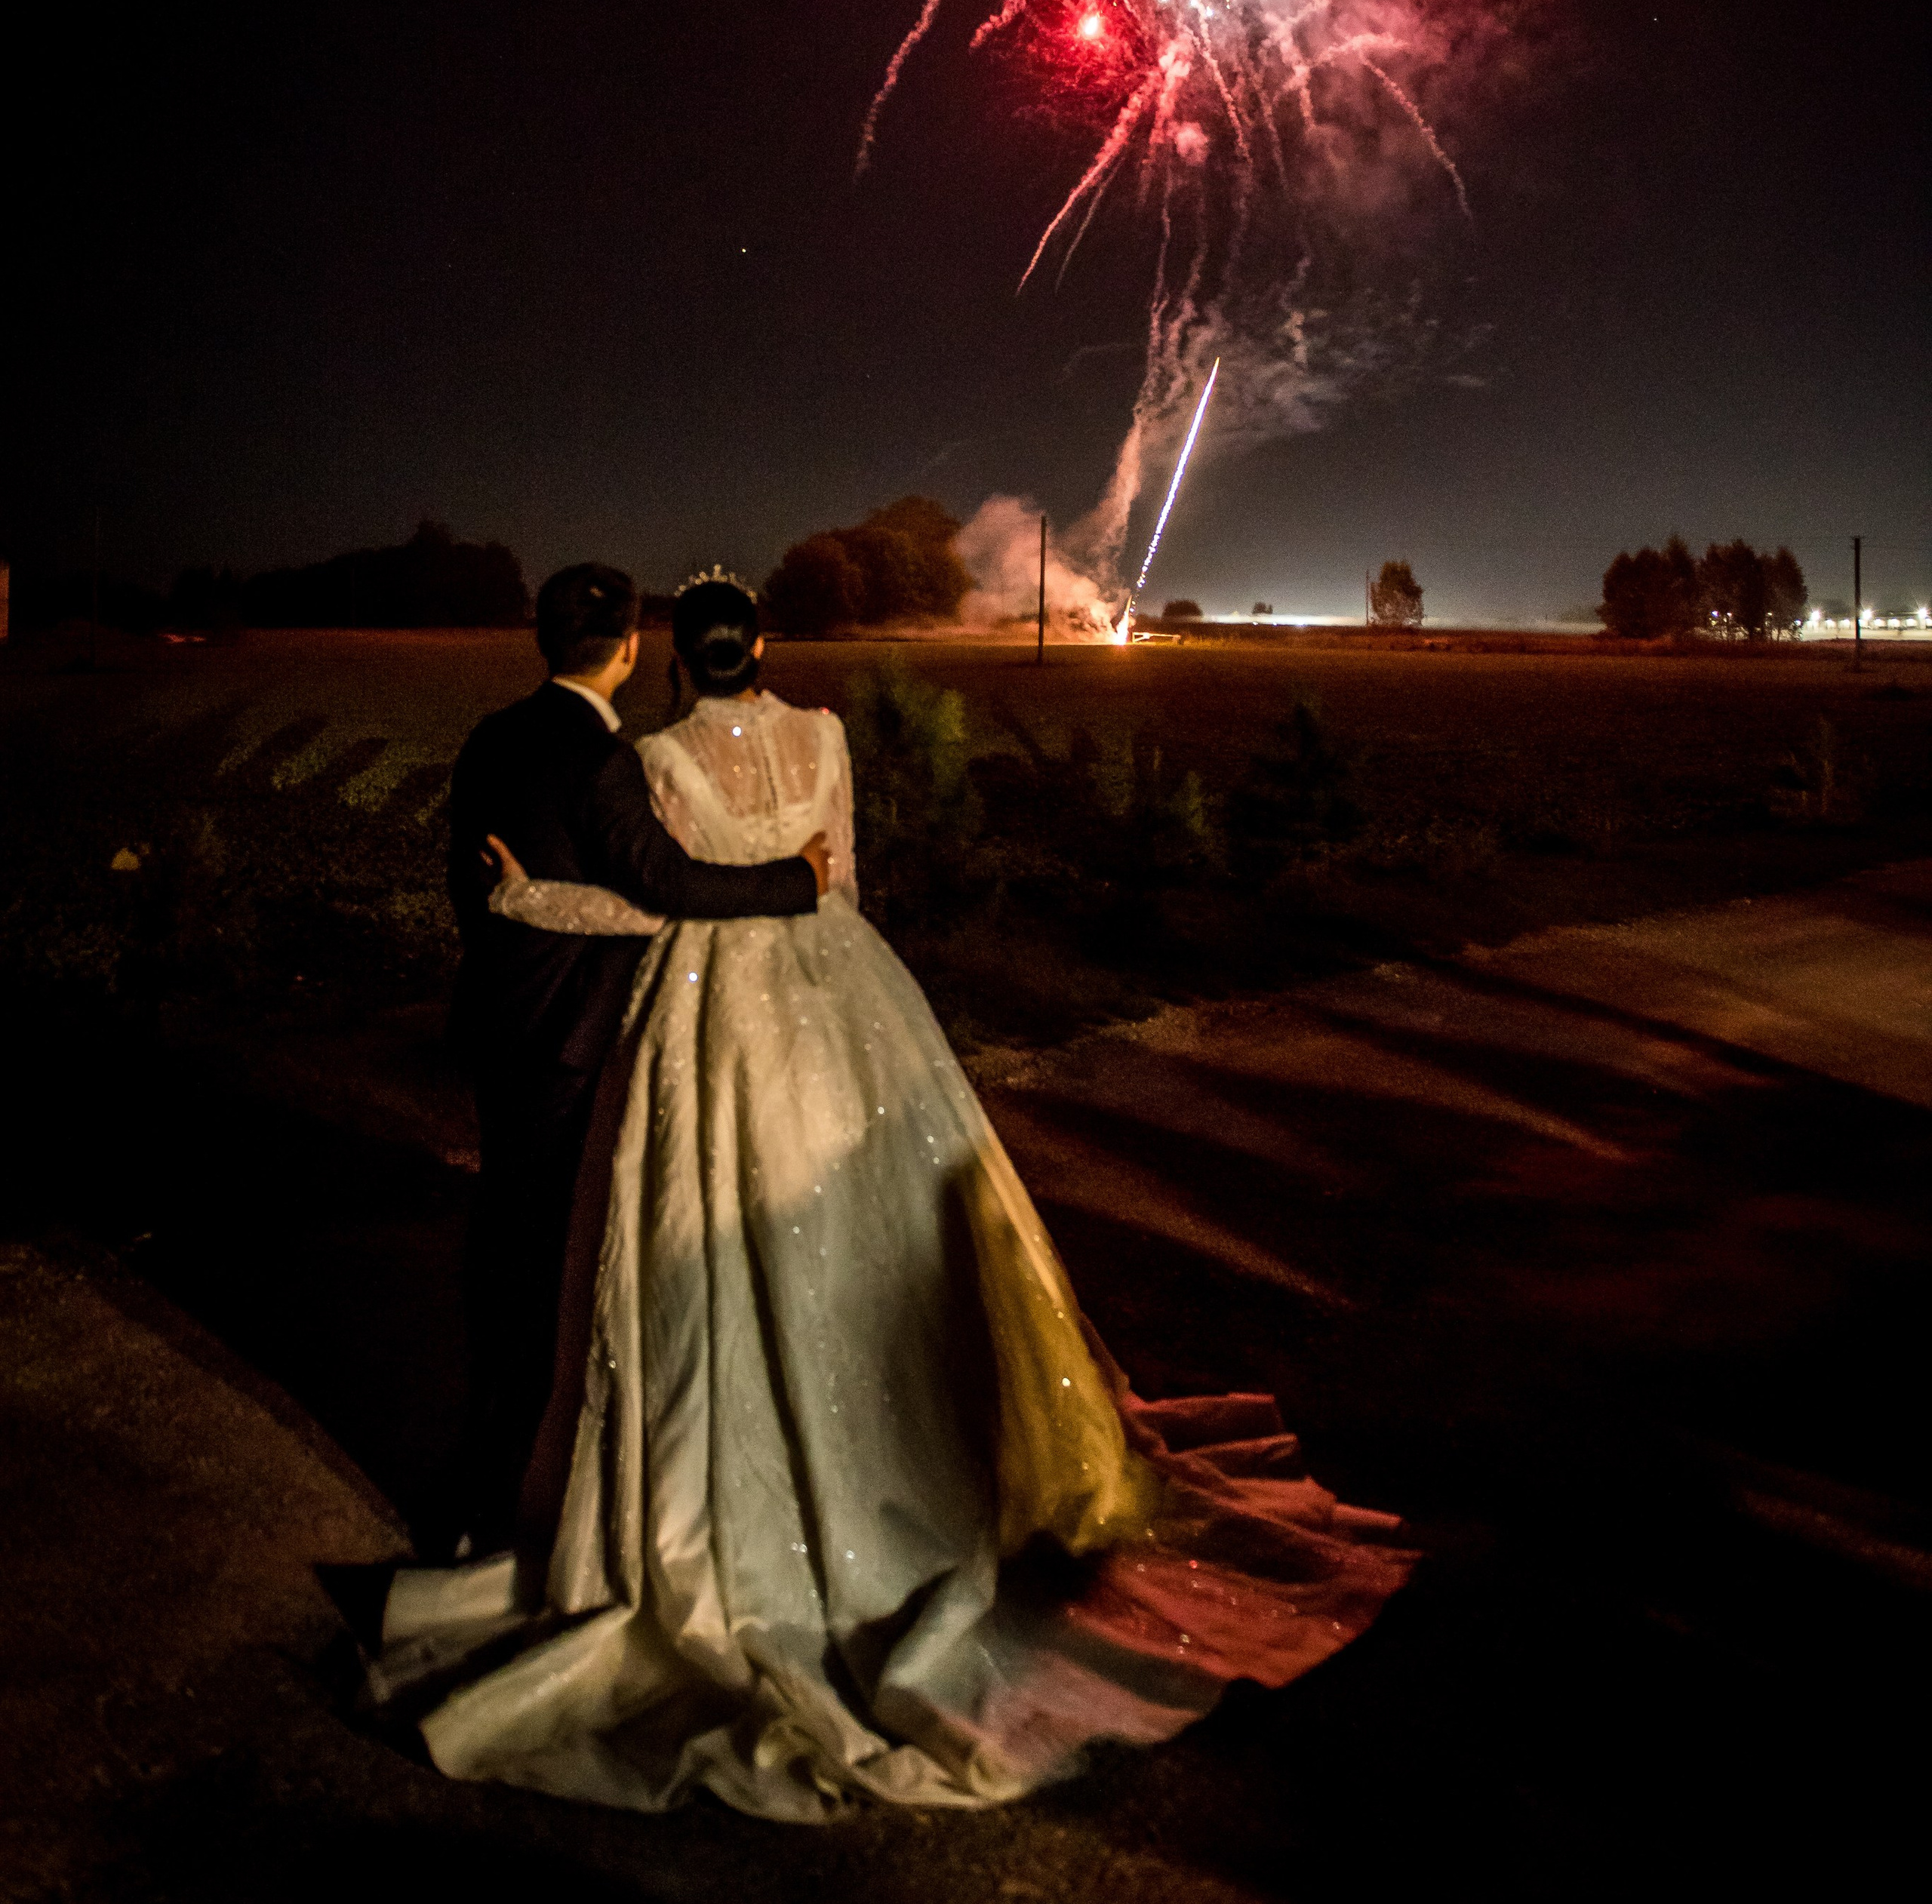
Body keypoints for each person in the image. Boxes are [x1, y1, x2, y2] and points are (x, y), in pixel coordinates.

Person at [375, 574, 1412, 1816]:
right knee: (860, 1219)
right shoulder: (826, 737)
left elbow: (664, 900)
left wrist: (529, 899)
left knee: (709, 1224)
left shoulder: (653, 760)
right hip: (838, 988)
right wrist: (831, 978)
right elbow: (841, 882)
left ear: (676, 660)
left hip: (713, 1013)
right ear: (761, 645)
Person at [442, 561, 829, 1553]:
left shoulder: (490, 737)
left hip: (498, 1018)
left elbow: (469, 877)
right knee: (552, 1254)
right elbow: (670, 888)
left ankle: (487, 1440)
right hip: (572, 1034)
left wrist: (517, 911)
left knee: (505, 1228)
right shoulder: (606, 761)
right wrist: (798, 880)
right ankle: (511, 1486)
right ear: (626, 649)